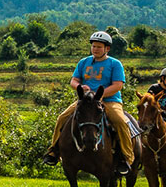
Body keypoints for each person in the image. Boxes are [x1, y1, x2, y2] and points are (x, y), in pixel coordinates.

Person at [42, 30, 135, 174]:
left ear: (107, 48)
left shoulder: (115, 64)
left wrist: (101, 95)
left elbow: (118, 85)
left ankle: (127, 157)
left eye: (99, 47)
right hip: (86, 101)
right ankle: (54, 151)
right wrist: (79, 87)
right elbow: (74, 80)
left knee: (120, 122)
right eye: (93, 46)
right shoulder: (83, 62)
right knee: (62, 118)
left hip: (110, 101)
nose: (95, 49)